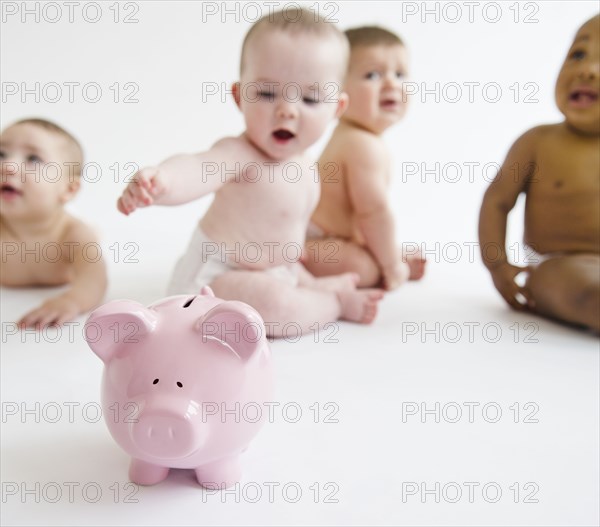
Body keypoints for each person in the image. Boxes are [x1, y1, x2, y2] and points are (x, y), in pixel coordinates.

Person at [117, 8, 384, 338]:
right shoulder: (238, 155)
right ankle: (334, 303)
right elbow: (198, 167)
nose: (286, 109)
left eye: (310, 98)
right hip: (215, 281)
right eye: (267, 93)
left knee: (291, 282)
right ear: (239, 96)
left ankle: (316, 286)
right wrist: (162, 181)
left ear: (336, 109)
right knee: (278, 306)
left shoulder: (303, 161)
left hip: (278, 269)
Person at [479, 14, 599, 331]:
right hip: (559, 265)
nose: (588, 69)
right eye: (578, 54)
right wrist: (497, 266)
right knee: (589, 294)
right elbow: (496, 202)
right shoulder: (538, 142)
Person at [304, 26, 426, 289]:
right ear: (339, 91)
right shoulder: (362, 145)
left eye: (400, 74)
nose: (392, 84)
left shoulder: (357, 137)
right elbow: (373, 213)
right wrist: (392, 267)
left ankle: (387, 254)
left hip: (334, 239)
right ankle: (389, 260)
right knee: (365, 269)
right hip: (310, 244)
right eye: (372, 75)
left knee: (369, 252)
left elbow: (363, 220)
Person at [0, 118, 107, 328]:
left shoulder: (72, 232)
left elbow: (95, 278)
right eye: (1, 154)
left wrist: (71, 301)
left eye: (33, 159)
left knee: (94, 238)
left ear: (68, 189)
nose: (8, 166)